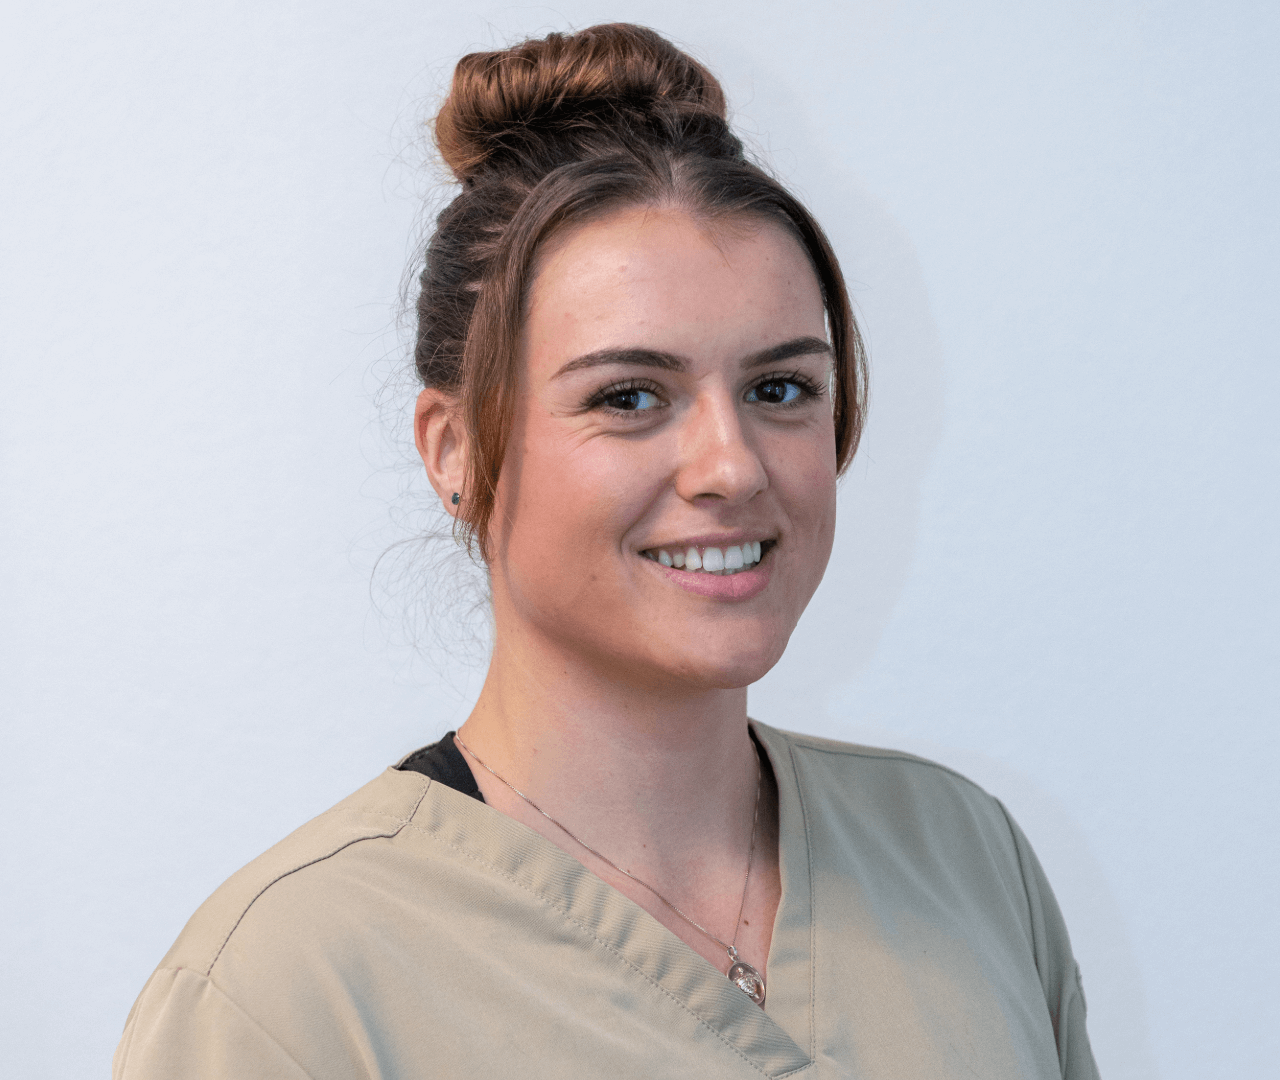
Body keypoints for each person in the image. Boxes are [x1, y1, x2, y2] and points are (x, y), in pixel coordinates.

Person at [114, 23, 1099, 1080]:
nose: (732, 466)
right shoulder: (283, 992)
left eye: (780, 388)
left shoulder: (963, 859)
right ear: (455, 451)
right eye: (629, 397)